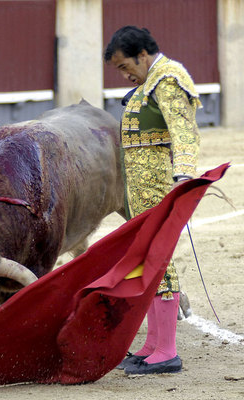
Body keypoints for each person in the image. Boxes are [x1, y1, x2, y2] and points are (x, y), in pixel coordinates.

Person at [104, 26, 201, 374]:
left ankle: (168, 350)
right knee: (145, 260)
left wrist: (183, 178)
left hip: (159, 187)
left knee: (159, 260)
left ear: (142, 55)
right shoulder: (148, 82)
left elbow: (184, 132)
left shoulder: (168, 78)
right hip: (139, 191)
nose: (123, 74)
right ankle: (153, 345)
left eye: (123, 66)